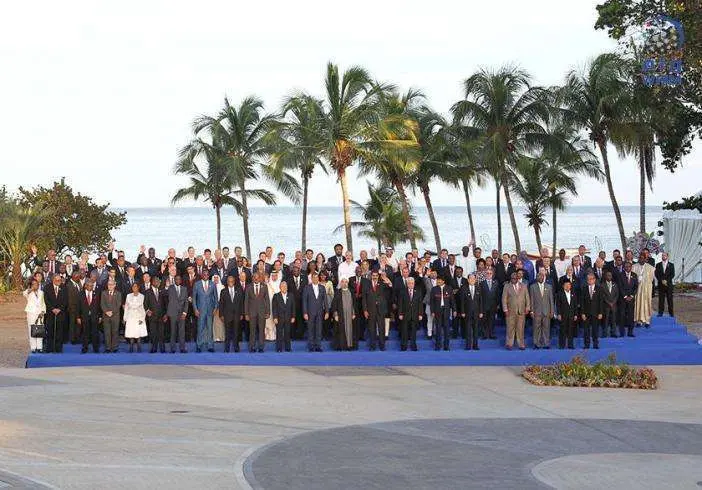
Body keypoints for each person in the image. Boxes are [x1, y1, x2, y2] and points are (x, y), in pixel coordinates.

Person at [502, 272, 530, 350]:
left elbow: (527, 297)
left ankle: (521, 344)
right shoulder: (507, 286)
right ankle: (509, 344)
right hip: (510, 311)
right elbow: (504, 299)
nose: (513, 280)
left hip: (521, 311)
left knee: (520, 328)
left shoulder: (524, 286)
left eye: (515, 278)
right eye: (512, 278)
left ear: (518, 278)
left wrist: (527, 308)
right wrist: (505, 309)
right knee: (510, 328)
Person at [362, 271, 389, 351]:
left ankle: (382, 345)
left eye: (376, 275)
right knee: (371, 329)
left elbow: (390, 287)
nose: (374, 277)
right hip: (370, 310)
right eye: (373, 275)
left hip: (381, 310)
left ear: (378, 276)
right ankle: (372, 346)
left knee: (381, 328)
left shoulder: (382, 284)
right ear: (371, 276)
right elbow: (364, 299)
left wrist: (387, 280)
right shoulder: (366, 284)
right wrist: (365, 310)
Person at [245, 272, 270, 353]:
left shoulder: (264, 286)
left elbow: (267, 300)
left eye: (257, 277)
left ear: (260, 278)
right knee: (252, 331)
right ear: (253, 278)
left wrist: (268, 312)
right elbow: (246, 301)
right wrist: (246, 313)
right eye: (254, 277)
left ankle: (261, 347)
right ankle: (252, 347)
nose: (256, 278)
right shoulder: (248, 287)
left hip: (262, 312)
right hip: (251, 313)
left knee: (261, 330)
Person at [193, 270, 217, 353]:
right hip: (200, 310)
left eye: (207, 275)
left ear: (209, 275)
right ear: (202, 275)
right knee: (200, 328)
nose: (206, 276)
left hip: (210, 310)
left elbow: (215, 297)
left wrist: (215, 308)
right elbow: (194, 299)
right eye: (204, 274)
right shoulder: (197, 284)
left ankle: (210, 346)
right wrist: (195, 309)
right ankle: (199, 345)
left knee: (210, 329)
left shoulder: (212, 284)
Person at [302, 272, 328, 352]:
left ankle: (318, 346)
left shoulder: (322, 287)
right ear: (312, 278)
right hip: (310, 312)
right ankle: (311, 346)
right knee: (310, 329)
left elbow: (325, 301)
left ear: (318, 278)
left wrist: (327, 311)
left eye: (317, 277)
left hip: (320, 312)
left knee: (319, 329)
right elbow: (304, 301)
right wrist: (305, 312)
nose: (315, 279)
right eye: (314, 277)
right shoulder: (307, 288)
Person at [529, 272, 555, 349]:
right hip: (536, 311)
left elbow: (551, 300)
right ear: (536, 278)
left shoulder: (549, 287)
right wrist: (532, 311)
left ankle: (546, 343)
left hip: (547, 311)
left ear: (544, 277)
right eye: (538, 276)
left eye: (542, 276)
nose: (540, 278)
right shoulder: (532, 287)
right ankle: (536, 343)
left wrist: (552, 311)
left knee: (546, 328)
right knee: (536, 328)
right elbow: (532, 300)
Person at [396, 276, 423, 351]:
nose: (411, 284)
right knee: (404, 331)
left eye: (412, 283)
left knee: (413, 332)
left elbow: (420, 304)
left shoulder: (418, 292)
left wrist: (420, 314)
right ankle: (403, 346)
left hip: (414, 315)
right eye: (409, 283)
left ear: (414, 284)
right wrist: (400, 314)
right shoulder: (402, 292)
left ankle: (413, 345)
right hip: (405, 315)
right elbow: (400, 304)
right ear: (407, 284)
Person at [219, 275, 244, 353]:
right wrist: (221, 315)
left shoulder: (239, 290)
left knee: (236, 332)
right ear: (227, 282)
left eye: (232, 281)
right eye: (229, 281)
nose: (231, 282)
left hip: (237, 315)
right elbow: (221, 304)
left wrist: (242, 314)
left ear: (234, 282)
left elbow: (241, 303)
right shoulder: (223, 291)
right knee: (227, 333)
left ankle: (236, 348)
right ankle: (227, 348)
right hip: (227, 315)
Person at [44, 274, 68, 353]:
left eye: (60, 280)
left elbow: (65, 300)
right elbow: (46, 300)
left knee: (59, 332)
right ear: (53, 280)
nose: (59, 282)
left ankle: (58, 349)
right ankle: (49, 348)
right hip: (51, 313)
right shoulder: (47, 287)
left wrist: (59, 309)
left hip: (60, 313)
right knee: (50, 331)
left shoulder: (64, 287)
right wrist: (52, 309)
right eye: (57, 280)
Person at [430, 275, 455, 351]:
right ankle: (438, 345)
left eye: (439, 280)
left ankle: (446, 346)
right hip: (437, 311)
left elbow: (452, 301)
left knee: (447, 329)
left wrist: (454, 310)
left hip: (446, 311)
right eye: (437, 280)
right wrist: (432, 311)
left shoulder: (449, 288)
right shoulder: (434, 289)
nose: (438, 281)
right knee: (438, 329)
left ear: (443, 281)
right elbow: (432, 301)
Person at [77, 280, 101, 354]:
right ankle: (85, 348)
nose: (91, 287)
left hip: (94, 317)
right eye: (89, 286)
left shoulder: (96, 294)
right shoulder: (81, 294)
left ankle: (95, 348)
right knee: (85, 333)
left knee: (95, 333)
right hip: (84, 317)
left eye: (92, 286)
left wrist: (100, 316)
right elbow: (78, 306)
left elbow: (99, 306)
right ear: (85, 286)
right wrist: (78, 317)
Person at [167, 275, 189, 353]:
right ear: (174, 280)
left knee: (182, 332)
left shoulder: (184, 289)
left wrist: (184, 313)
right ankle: (172, 348)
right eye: (176, 279)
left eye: (179, 279)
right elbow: (166, 299)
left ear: (181, 280)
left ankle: (182, 347)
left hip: (182, 314)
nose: (178, 280)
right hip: (172, 313)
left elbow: (186, 302)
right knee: (173, 331)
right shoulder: (170, 288)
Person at [581, 273, 603, 349]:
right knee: (586, 330)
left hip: (596, 313)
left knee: (595, 330)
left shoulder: (599, 288)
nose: (589, 280)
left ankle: (595, 344)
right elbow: (582, 302)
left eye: (591, 279)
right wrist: (582, 313)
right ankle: (586, 345)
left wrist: (600, 312)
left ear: (594, 280)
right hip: (586, 313)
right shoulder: (584, 289)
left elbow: (601, 301)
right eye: (588, 279)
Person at [272, 280, 296, 352]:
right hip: (279, 318)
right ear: (280, 287)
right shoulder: (276, 296)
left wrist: (293, 316)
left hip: (288, 318)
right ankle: (279, 348)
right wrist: (275, 317)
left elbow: (293, 307)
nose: (284, 287)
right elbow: (274, 308)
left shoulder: (291, 295)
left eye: (285, 286)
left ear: (287, 287)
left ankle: (288, 348)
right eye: (282, 286)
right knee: (279, 333)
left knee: (287, 333)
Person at [632, 254, 655, 328]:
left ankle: (647, 320)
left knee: (647, 303)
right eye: (640, 258)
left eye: (643, 258)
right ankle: (639, 320)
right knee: (638, 303)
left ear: (645, 259)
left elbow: (652, 279)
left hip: (646, 289)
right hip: (638, 289)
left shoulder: (650, 268)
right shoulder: (634, 267)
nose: (641, 260)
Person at [460, 274, 482, 350]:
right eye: (470, 279)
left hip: (476, 312)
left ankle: (475, 345)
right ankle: (468, 345)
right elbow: (462, 301)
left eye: (473, 279)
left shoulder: (478, 288)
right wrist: (462, 311)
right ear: (468, 280)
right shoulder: (464, 288)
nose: (472, 280)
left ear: (475, 280)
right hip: (467, 312)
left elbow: (480, 301)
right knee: (468, 329)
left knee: (476, 329)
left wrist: (481, 312)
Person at [24, 278, 46, 353]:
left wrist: (43, 311)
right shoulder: (28, 292)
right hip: (31, 313)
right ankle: (33, 347)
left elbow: (43, 303)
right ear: (31, 285)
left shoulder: (41, 292)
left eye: (36, 284)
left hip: (40, 314)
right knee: (32, 329)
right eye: (33, 284)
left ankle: (39, 347)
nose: (35, 285)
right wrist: (31, 289)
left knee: (40, 330)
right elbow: (25, 294)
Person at [144, 276, 166, 353]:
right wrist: (147, 311)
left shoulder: (162, 291)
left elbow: (165, 303)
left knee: (161, 333)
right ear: (152, 282)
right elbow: (145, 304)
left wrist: (165, 314)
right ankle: (154, 348)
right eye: (156, 281)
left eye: (159, 281)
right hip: (152, 316)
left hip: (161, 316)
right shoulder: (147, 292)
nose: (158, 283)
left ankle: (162, 348)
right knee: (153, 333)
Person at [100, 279, 122, 353]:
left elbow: (118, 305)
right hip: (106, 316)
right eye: (109, 284)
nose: (110, 286)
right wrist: (106, 312)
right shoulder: (103, 293)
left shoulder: (118, 293)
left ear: (115, 285)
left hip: (115, 316)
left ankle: (115, 347)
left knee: (115, 332)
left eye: (112, 284)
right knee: (107, 332)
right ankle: (108, 348)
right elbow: (102, 304)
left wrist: (112, 312)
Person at [124, 282, 147, 352]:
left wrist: (142, 318)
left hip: (139, 316)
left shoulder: (142, 296)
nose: (134, 288)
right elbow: (126, 307)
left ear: (138, 287)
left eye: (136, 286)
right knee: (131, 332)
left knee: (138, 332)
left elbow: (143, 308)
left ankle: (139, 347)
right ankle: (131, 346)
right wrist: (125, 318)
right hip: (130, 316)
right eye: (133, 286)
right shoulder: (128, 296)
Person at [556, 279, 578, 349]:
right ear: (563, 286)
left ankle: (570, 345)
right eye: (566, 285)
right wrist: (559, 314)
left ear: (570, 286)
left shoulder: (573, 294)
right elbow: (558, 305)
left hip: (571, 315)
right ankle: (561, 345)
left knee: (570, 330)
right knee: (562, 330)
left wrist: (575, 314)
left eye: (569, 285)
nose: (568, 286)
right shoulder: (560, 294)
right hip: (563, 315)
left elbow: (575, 305)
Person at [619, 262, 638, 337]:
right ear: (624, 268)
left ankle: (630, 332)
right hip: (623, 299)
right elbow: (620, 287)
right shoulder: (620, 275)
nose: (627, 268)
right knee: (622, 316)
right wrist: (625, 296)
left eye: (629, 266)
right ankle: (622, 333)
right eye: (626, 267)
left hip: (631, 299)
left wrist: (632, 296)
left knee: (631, 316)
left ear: (631, 267)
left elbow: (636, 287)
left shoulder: (634, 275)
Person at [480, 268, 499, 340]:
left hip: (493, 305)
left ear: (492, 274)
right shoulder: (482, 283)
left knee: (492, 320)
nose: (489, 275)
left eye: (490, 273)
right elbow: (480, 296)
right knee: (484, 320)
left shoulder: (496, 282)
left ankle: (491, 334)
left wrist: (497, 304)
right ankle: (484, 334)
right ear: (485, 274)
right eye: (487, 273)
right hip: (484, 305)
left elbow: (498, 294)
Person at [655, 252, 675, 317]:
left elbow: (672, 274)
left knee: (670, 299)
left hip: (668, 285)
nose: (663, 256)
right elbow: (656, 274)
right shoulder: (658, 265)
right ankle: (660, 312)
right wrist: (661, 280)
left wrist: (666, 280)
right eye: (662, 255)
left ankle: (671, 313)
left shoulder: (671, 265)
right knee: (661, 299)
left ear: (667, 256)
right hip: (661, 285)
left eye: (665, 255)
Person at [600, 270, 619, 338]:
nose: (609, 276)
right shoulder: (602, 285)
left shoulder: (615, 284)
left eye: (610, 275)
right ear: (605, 276)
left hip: (614, 305)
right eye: (608, 275)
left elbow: (617, 294)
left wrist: (613, 302)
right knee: (605, 320)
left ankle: (613, 333)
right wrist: (608, 302)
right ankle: (604, 333)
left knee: (613, 320)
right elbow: (602, 295)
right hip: (606, 306)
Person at [265, 272, 282, 342]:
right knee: (268, 322)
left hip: (277, 307)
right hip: (268, 306)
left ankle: (274, 336)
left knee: (275, 322)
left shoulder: (279, 284)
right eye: (273, 276)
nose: (274, 277)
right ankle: (267, 336)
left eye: (275, 276)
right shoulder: (267, 285)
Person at [211, 274, 226, 342]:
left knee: (221, 322)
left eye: (217, 278)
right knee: (214, 323)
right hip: (212, 307)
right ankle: (215, 337)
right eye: (214, 278)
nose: (216, 279)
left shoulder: (222, 287)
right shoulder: (210, 286)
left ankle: (222, 337)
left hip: (221, 307)